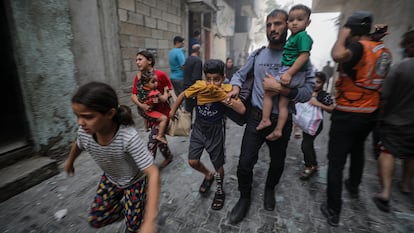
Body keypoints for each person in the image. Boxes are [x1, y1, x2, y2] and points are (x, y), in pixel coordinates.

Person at [227, 9, 314, 224]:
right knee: (245, 163)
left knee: (277, 163)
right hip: (256, 118)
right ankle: (244, 197)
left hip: (281, 123)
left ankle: (269, 189)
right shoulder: (257, 55)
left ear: (288, 26)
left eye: (277, 24)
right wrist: (235, 86)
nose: (273, 29)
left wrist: (281, 89)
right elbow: (239, 74)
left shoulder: (299, 58)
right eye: (269, 25)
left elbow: (308, 92)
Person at [320, 11, 392, 227]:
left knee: (336, 162)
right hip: (370, 112)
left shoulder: (357, 47)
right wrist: (373, 36)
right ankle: (352, 185)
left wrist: (342, 35)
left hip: (348, 112)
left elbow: (338, 56)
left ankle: (333, 210)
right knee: (358, 150)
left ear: (352, 29)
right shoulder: (382, 50)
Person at [64, 82, 160, 233]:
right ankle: (131, 211)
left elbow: (153, 172)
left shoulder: (128, 137)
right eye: (78, 116)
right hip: (111, 178)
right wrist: (70, 161)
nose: (80, 123)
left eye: (87, 117)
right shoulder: (85, 131)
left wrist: (150, 221)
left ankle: (136, 214)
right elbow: (78, 143)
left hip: (135, 182)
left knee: (133, 227)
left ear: (110, 114)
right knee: (97, 219)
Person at [169, 59, 246, 211]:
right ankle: (207, 175)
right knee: (192, 161)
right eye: (208, 79)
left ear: (223, 77)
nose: (211, 83)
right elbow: (183, 95)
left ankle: (219, 189)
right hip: (198, 128)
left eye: (216, 79)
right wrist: (172, 112)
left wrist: (222, 97)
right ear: (204, 77)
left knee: (218, 166)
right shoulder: (200, 86)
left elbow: (242, 110)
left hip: (216, 131)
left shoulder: (226, 89)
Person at [256, 4, 313, 141]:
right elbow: (240, 76)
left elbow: (304, 57)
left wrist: (287, 75)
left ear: (308, 22)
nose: (294, 23)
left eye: (299, 20)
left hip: (292, 73)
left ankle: (266, 120)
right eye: (292, 20)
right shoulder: (258, 54)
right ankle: (278, 130)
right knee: (283, 104)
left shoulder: (302, 37)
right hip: (289, 73)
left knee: (269, 92)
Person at [372, 30, 414, 212]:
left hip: (395, 120)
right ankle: (405, 185)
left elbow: (384, 95)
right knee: (411, 154)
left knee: (387, 152)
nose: (403, 49)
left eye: (404, 45)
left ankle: (386, 192)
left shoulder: (400, 68)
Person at [131, 50, 174, 169]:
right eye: (136, 60)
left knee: (153, 140)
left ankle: (148, 168)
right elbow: (133, 95)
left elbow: (169, 90)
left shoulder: (160, 75)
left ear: (149, 61)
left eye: (140, 59)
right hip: (149, 113)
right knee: (159, 138)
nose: (137, 62)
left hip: (162, 113)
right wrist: (142, 105)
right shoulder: (138, 77)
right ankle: (168, 156)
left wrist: (160, 97)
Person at [298, 71, 335, 180]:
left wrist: (317, 103)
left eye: (318, 82)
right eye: (313, 81)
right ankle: (313, 164)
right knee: (308, 144)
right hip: (306, 123)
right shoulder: (307, 90)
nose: (315, 84)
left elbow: (332, 109)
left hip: (315, 125)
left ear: (323, 83)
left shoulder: (324, 95)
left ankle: (309, 166)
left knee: (305, 145)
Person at [136, 70, 170, 144]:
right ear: (145, 83)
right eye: (153, 82)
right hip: (147, 111)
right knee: (164, 118)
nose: (156, 84)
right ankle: (160, 136)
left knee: (152, 104)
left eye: (156, 81)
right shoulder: (155, 92)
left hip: (140, 109)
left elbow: (139, 79)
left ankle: (145, 127)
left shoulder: (140, 86)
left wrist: (140, 74)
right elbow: (164, 99)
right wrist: (165, 91)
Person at [183, 44, 203, 114]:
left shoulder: (187, 59)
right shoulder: (198, 61)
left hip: (186, 86)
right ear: (198, 51)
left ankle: (188, 124)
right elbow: (196, 77)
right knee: (198, 108)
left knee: (188, 110)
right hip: (194, 88)